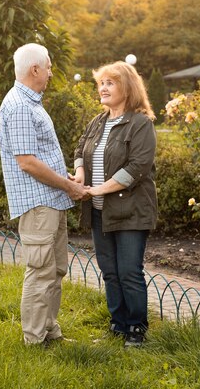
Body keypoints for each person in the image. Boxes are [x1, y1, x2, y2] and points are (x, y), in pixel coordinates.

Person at [0, 43, 88, 346]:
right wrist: (69, 186)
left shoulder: (31, 103)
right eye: (47, 66)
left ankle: (50, 331)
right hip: (38, 204)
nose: (50, 72)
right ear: (34, 69)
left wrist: (65, 178)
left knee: (55, 269)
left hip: (50, 199)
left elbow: (41, 156)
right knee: (40, 271)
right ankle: (35, 341)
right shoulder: (21, 106)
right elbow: (28, 163)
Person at [72, 61, 157, 348]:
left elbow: (137, 168)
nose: (103, 88)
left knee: (129, 271)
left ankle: (136, 328)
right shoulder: (98, 121)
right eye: (101, 83)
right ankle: (118, 325)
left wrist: (96, 189)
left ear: (127, 87)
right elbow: (80, 148)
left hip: (131, 212)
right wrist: (81, 174)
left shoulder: (141, 124)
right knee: (109, 271)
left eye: (110, 82)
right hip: (100, 212)